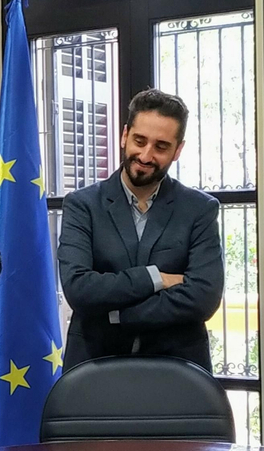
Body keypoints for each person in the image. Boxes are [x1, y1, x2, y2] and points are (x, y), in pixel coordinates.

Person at [57, 87, 223, 370]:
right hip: (95, 371)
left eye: (161, 146)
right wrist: (156, 278)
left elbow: (203, 297)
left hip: (177, 373)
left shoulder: (199, 209)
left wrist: (116, 314)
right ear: (124, 136)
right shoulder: (82, 205)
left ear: (177, 150)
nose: (146, 156)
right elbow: (79, 289)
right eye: (139, 140)